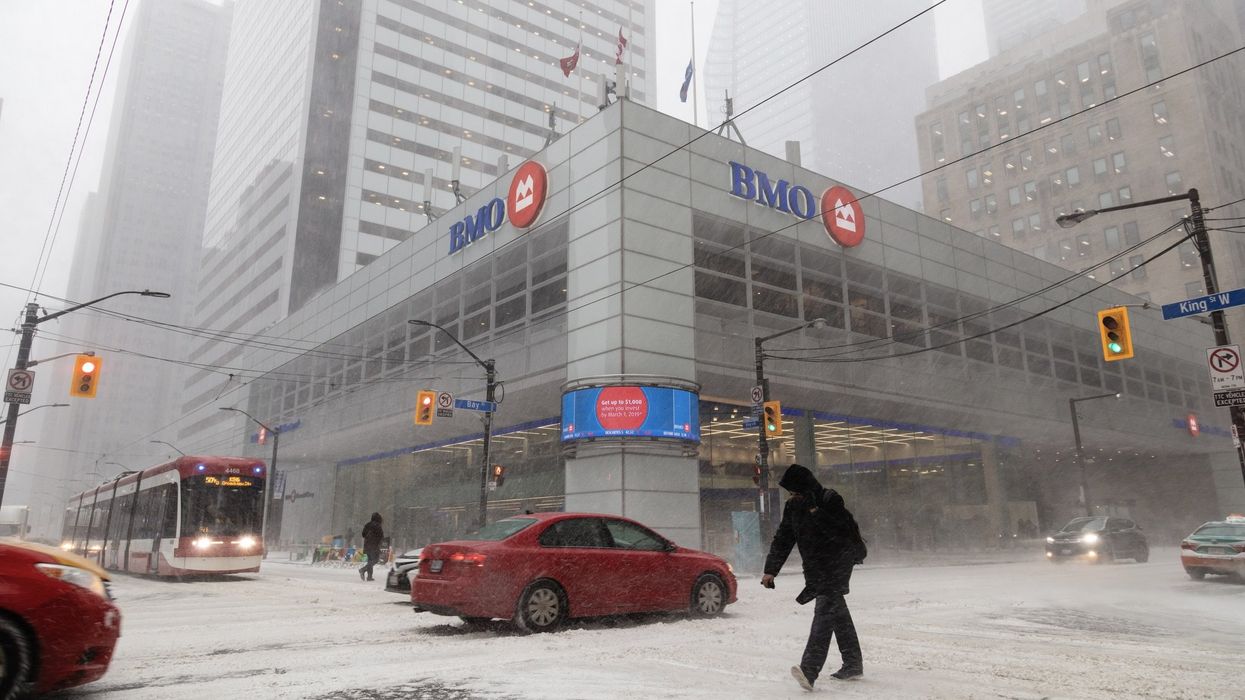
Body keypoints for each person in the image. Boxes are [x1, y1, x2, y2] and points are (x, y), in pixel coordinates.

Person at [761, 464, 867, 692]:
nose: (792, 496)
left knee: (825, 613)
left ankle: (809, 670)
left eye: (796, 491)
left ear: (806, 487)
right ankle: (853, 663)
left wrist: (816, 512)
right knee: (837, 613)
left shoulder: (829, 500)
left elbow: (839, 533)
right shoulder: (793, 507)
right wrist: (771, 569)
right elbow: (783, 538)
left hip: (838, 563)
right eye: (791, 492)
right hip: (817, 567)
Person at [359, 512, 384, 581]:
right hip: (374, 546)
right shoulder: (378, 526)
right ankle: (363, 570)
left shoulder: (367, 524)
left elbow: (363, 534)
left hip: (367, 545)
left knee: (370, 560)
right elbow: (381, 536)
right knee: (375, 560)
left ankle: (369, 577)